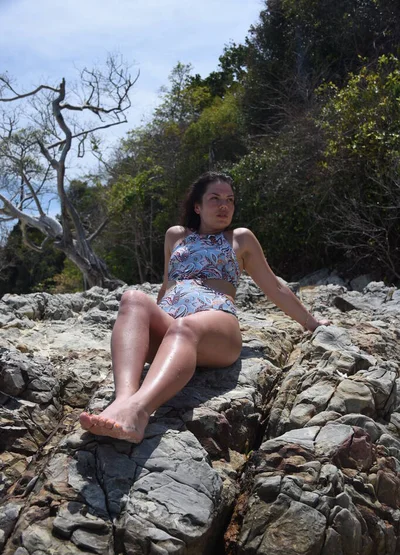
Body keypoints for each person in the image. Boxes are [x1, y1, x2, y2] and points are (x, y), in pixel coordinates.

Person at [80, 172, 328, 443]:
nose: (224, 206)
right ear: (197, 207)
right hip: (171, 322)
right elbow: (167, 285)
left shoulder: (240, 239)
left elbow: (275, 287)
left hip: (216, 326)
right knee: (133, 298)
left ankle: (139, 412)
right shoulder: (175, 235)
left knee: (185, 327)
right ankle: (123, 400)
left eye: (230, 200)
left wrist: (312, 324)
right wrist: (148, 315)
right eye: (215, 198)